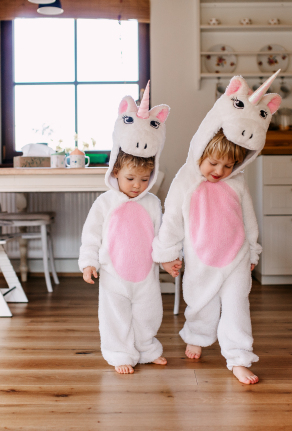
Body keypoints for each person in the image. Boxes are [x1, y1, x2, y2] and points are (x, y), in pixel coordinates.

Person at [153, 72, 282, 384]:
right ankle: (196, 335)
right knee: (201, 302)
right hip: (201, 258)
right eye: (213, 163)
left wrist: (253, 250)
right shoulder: (187, 179)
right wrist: (168, 254)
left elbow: (248, 219)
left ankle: (239, 357)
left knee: (237, 305)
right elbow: (171, 218)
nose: (220, 171)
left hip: (236, 256)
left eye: (229, 166)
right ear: (202, 149)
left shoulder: (236, 183)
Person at [79, 82, 170, 374]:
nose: (137, 185)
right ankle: (120, 352)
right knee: (115, 315)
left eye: (144, 180)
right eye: (131, 178)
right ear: (116, 172)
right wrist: (88, 263)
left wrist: (169, 257)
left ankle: (146, 348)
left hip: (146, 275)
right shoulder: (105, 203)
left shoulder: (153, 203)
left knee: (148, 313)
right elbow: (91, 235)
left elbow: (162, 235)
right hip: (113, 275)